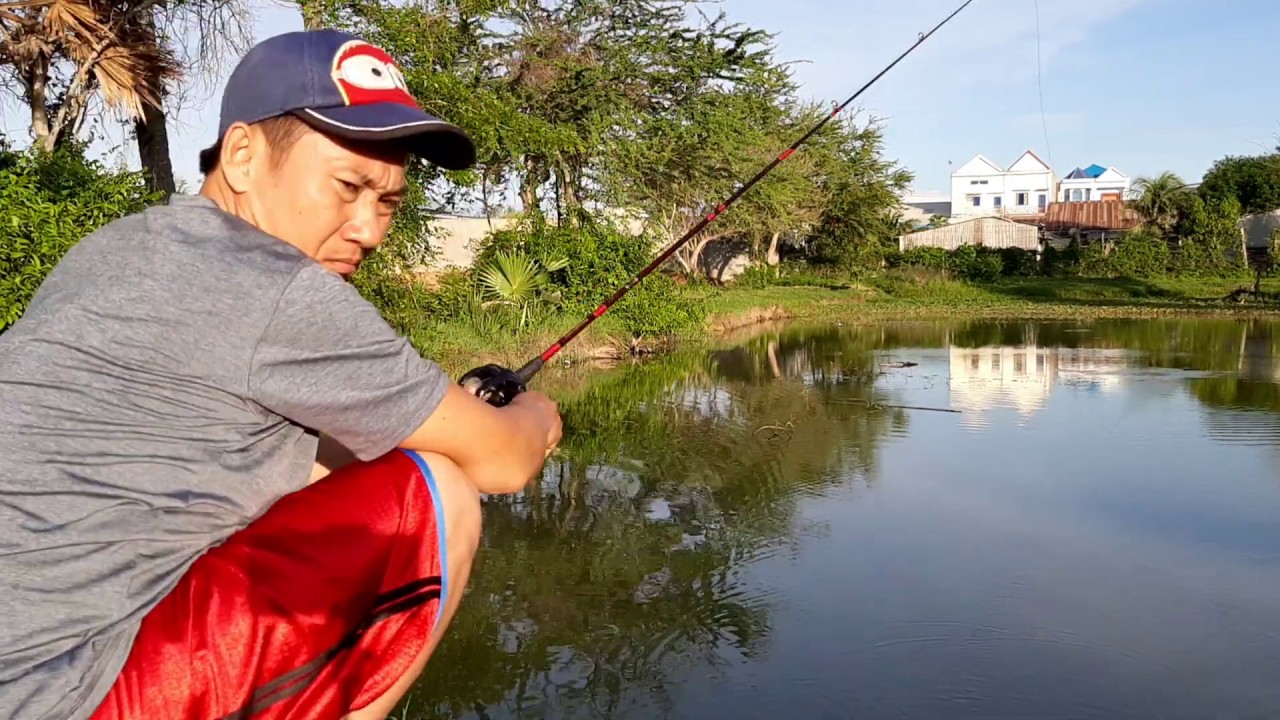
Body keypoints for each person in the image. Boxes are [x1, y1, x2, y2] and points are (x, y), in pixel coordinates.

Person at [0, 28, 562, 720]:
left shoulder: (112, 251)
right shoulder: (277, 286)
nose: (369, 230)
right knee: (435, 490)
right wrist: (535, 416)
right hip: (63, 697)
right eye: (349, 186)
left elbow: (265, 453)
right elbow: (505, 462)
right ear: (242, 156)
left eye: (388, 202)